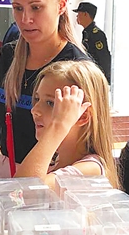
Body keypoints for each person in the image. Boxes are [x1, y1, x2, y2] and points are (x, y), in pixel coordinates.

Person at [0, 0, 90, 178]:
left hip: (51, 178)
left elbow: (86, 143)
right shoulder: (9, 55)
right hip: (5, 171)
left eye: (36, 7)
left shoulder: (76, 67)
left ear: (61, 5)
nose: (25, 19)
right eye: (18, 8)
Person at [15, 60, 118, 189]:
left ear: (83, 116)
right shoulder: (56, 160)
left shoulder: (91, 169)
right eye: (37, 99)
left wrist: (58, 126)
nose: (34, 110)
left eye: (51, 103)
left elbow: (24, 189)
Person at [73, 1, 112, 84]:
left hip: (97, 76)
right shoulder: (87, 32)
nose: (77, 16)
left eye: (79, 13)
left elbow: (103, 57)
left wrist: (104, 78)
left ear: (85, 14)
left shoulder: (97, 34)